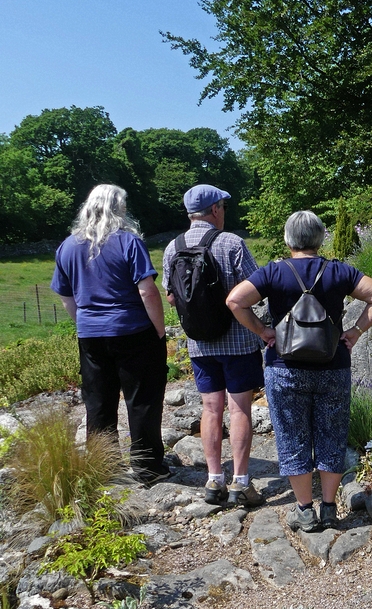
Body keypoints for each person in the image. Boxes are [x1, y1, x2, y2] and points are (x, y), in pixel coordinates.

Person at [226, 210, 372, 532]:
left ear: (288, 240)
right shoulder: (338, 271)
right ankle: (329, 508)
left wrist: (263, 332)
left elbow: (235, 301)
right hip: (333, 366)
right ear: (319, 238)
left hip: (284, 368)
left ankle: (304, 510)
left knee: (291, 438)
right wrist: (355, 331)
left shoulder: (273, 272)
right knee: (332, 435)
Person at [51, 184, 169, 486]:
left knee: (98, 401)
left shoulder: (67, 246)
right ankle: (147, 467)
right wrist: (159, 329)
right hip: (133, 330)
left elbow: (66, 297)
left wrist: (86, 322)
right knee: (142, 399)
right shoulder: (129, 242)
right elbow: (147, 290)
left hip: (90, 334)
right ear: (119, 208)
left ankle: (104, 467)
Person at [162, 184, 264, 507]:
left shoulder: (171, 248)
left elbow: (170, 296)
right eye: (223, 205)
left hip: (199, 345)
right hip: (238, 342)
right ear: (216, 210)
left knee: (210, 409)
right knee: (238, 409)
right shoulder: (232, 243)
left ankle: (213, 479)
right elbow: (257, 288)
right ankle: (241, 483)